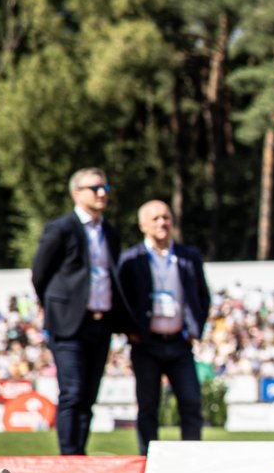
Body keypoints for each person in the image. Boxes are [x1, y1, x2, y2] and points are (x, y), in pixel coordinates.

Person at [30, 168, 122, 456]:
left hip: (101, 322)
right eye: (95, 188)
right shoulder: (61, 228)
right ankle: (68, 458)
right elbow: (40, 272)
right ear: (76, 193)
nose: (102, 193)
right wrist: (55, 307)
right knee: (72, 392)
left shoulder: (110, 232)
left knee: (89, 396)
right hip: (69, 325)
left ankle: (79, 454)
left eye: (105, 187)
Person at [114, 200, 211, 456]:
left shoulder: (188, 257)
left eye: (166, 217)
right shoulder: (131, 259)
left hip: (179, 343)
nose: (162, 223)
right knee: (148, 406)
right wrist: (130, 330)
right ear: (142, 224)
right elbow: (120, 300)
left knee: (191, 401)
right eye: (155, 218)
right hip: (146, 344)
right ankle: (147, 459)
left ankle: (192, 457)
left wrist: (194, 329)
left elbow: (202, 296)